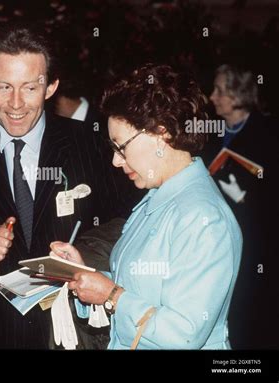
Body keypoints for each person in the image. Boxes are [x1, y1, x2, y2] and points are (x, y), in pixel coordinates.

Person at [0, 25, 138, 349]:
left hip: (80, 330)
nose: (15, 103)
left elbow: (131, 222)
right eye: (4, 86)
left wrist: (82, 260)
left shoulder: (90, 143)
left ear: (51, 86)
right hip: (5, 334)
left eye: (30, 88)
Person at [50, 64, 242, 349]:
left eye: (121, 146)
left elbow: (184, 334)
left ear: (161, 135)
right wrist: (90, 276)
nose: (115, 161)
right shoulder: (158, 197)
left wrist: (112, 295)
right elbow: (143, 285)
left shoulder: (204, 217)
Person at [207, 64, 279, 349]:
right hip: (220, 234)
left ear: (238, 95)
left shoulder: (269, 133)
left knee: (251, 315)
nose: (212, 97)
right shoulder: (213, 132)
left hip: (259, 244)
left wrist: (245, 198)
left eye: (219, 91)